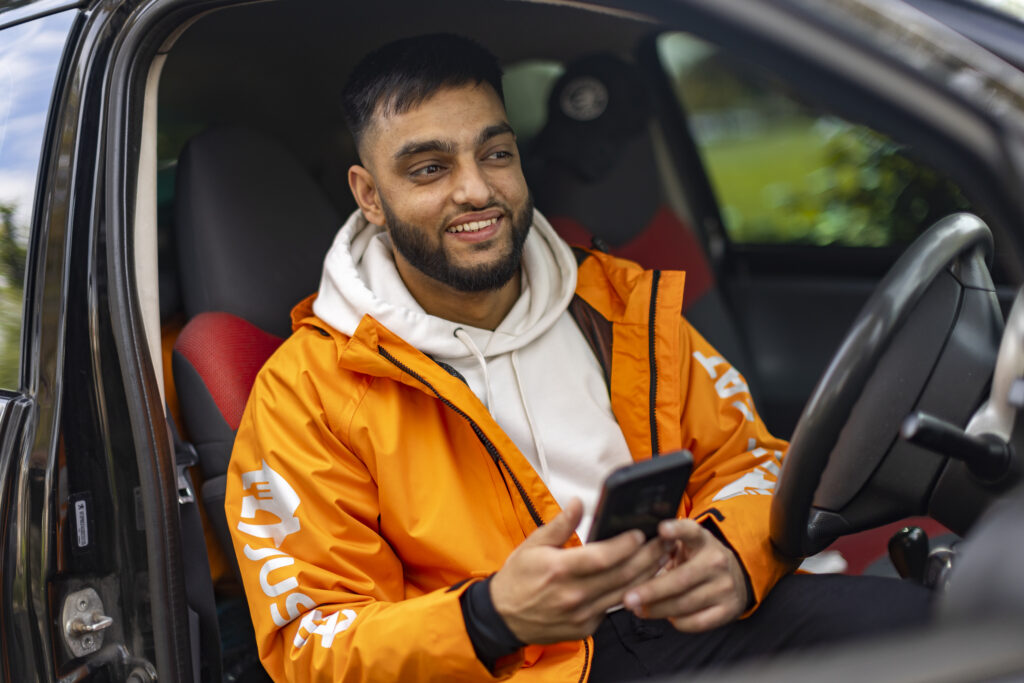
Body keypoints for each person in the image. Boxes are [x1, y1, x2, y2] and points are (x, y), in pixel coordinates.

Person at [225, 33, 929, 682]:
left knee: (941, 632)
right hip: (510, 668)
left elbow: (752, 457)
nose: (476, 189)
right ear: (370, 196)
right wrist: (487, 616)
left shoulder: (619, 301)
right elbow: (311, 642)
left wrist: (733, 556)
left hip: (683, 619)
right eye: (430, 167)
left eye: (495, 153)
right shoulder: (307, 392)